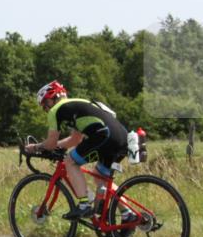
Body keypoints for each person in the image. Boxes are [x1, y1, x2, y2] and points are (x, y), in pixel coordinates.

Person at [24, 81, 128, 220]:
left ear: (52, 98)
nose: (45, 109)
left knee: (70, 161)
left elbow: (50, 143)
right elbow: (75, 140)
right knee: (100, 176)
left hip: (105, 136)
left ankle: (84, 205)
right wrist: (56, 146)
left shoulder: (56, 111)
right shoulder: (76, 105)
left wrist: (35, 147)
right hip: (122, 138)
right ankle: (129, 215)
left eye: (45, 104)